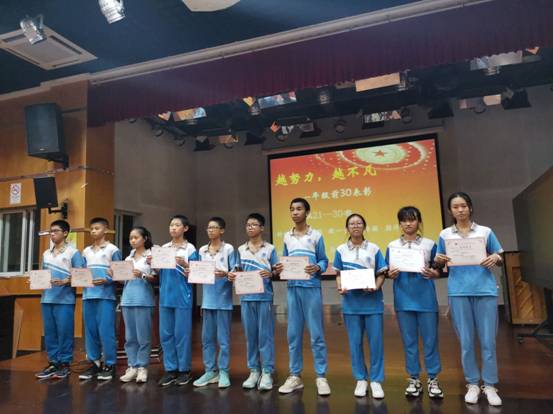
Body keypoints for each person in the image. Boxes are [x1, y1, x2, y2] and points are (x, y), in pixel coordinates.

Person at [434, 192, 504, 407]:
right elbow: (438, 263)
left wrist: (496, 257)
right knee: (466, 341)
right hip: (458, 291)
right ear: (450, 211)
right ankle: (472, 383)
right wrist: (438, 260)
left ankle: (490, 385)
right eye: (456, 207)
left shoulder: (485, 231)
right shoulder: (445, 235)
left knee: (488, 341)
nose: (460, 210)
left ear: (470, 208)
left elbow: (500, 256)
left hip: (485, 290)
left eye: (463, 206)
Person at [274, 198, 331, 396]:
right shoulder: (286, 236)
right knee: (293, 334)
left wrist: (318, 267)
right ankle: (295, 376)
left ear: (307, 212)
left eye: (299, 209)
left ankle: (321, 376)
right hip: (293, 289)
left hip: (311, 288)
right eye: (292, 209)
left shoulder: (316, 235)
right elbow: (284, 261)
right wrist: (280, 267)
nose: (295, 212)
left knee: (317, 334)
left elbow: (324, 260)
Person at [386, 206, 443, 399]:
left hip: (426, 299)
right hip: (403, 300)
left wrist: (433, 273)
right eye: (404, 220)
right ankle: (413, 378)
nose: (408, 223)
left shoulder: (430, 244)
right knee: (409, 341)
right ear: (400, 224)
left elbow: (439, 271)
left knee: (430, 340)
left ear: (419, 222)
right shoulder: (392, 246)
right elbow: (388, 271)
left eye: (412, 219)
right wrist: (391, 274)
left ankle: (433, 378)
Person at [334, 213, 387, 399]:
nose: (355, 226)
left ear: (364, 227)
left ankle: (376, 380)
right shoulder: (341, 250)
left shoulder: (374, 248)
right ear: (347, 228)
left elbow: (381, 273)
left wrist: (376, 287)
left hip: (373, 304)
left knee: (376, 343)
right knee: (354, 343)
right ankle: (360, 379)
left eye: (359, 223)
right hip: (351, 305)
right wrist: (340, 286)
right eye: (352, 223)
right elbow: (338, 274)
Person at [228, 213, 278, 391]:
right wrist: (232, 274)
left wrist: (271, 273)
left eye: (254, 224)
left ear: (262, 228)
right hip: (246, 297)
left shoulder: (270, 248)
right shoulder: (241, 249)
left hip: (264, 297)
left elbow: (277, 271)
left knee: (265, 336)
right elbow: (236, 269)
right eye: (248, 224)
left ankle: (267, 371)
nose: (250, 227)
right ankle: (254, 370)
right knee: (250, 336)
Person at [35, 220, 84, 379]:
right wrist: (35, 280)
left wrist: (65, 281)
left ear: (65, 233)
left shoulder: (73, 253)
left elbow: (81, 275)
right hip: (47, 298)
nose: (52, 234)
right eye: (51, 231)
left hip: (65, 299)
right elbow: (43, 275)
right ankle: (53, 363)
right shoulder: (46, 253)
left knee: (64, 332)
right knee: (50, 333)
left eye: (56, 231)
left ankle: (65, 364)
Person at [193, 217, 237, 388]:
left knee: (223, 339)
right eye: (208, 227)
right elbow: (199, 272)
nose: (210, 230)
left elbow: (235, 272)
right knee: (207, 339)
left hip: (223, 300)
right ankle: (210, 370)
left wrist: (225, 274)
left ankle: (224, 371)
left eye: (214, 227)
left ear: (222, 230)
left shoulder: (229, 249)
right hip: (207, 300)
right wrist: (192, 272)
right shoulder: (202, 250)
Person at [156, 215, 198, 387]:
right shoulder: (163, 248)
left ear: (185, 228)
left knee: (182, 334)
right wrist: (153, 262)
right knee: (166, 335)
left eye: (177, 225)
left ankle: (184, 370)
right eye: (171, 225)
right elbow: (158, 271)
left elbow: (197, 273)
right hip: (165, 296)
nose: (173, 228)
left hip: (182, 297)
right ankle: (170, 369)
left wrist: (185, 264)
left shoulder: (190, 249)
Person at [79, 217, 122, 381]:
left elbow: (120, 273)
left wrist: (107, 280)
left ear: (106, 230)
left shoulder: (113, 250)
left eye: (97, 228)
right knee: (90, 331)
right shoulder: (86, 251)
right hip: (88, 295)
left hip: (106, 296)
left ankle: (109, 364)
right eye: (91, 229)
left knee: (106, 331)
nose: (93, 231)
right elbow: (81, 272)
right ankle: (94, 363)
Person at [118, 226, 156, 383]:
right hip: (127, 299)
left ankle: (142, 367)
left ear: (145, 238)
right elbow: (123, 280)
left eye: (136, 237)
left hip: (144, 299)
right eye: (130, 238)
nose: (132, 240)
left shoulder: (151, 256)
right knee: (130, 337)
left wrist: (143, 275)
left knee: (143, 336)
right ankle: (132, 366)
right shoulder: (128, 258)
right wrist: (115, 274)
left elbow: (156, 278)